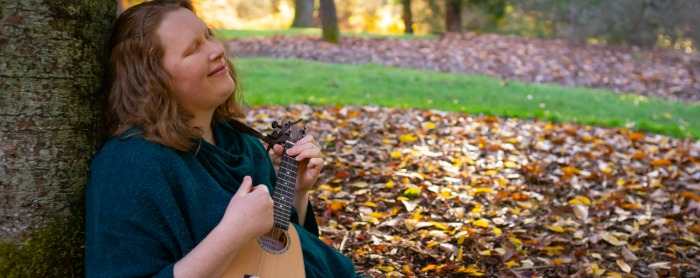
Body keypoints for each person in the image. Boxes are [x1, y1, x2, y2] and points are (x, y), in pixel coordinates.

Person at [85, 1, 357, 277]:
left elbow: (285, 255)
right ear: (152, 80)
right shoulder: (128, 167)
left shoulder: (241, 143)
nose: (218, 50)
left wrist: (298, 192)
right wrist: (231, 233)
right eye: (193, 49)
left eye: (208, 36)